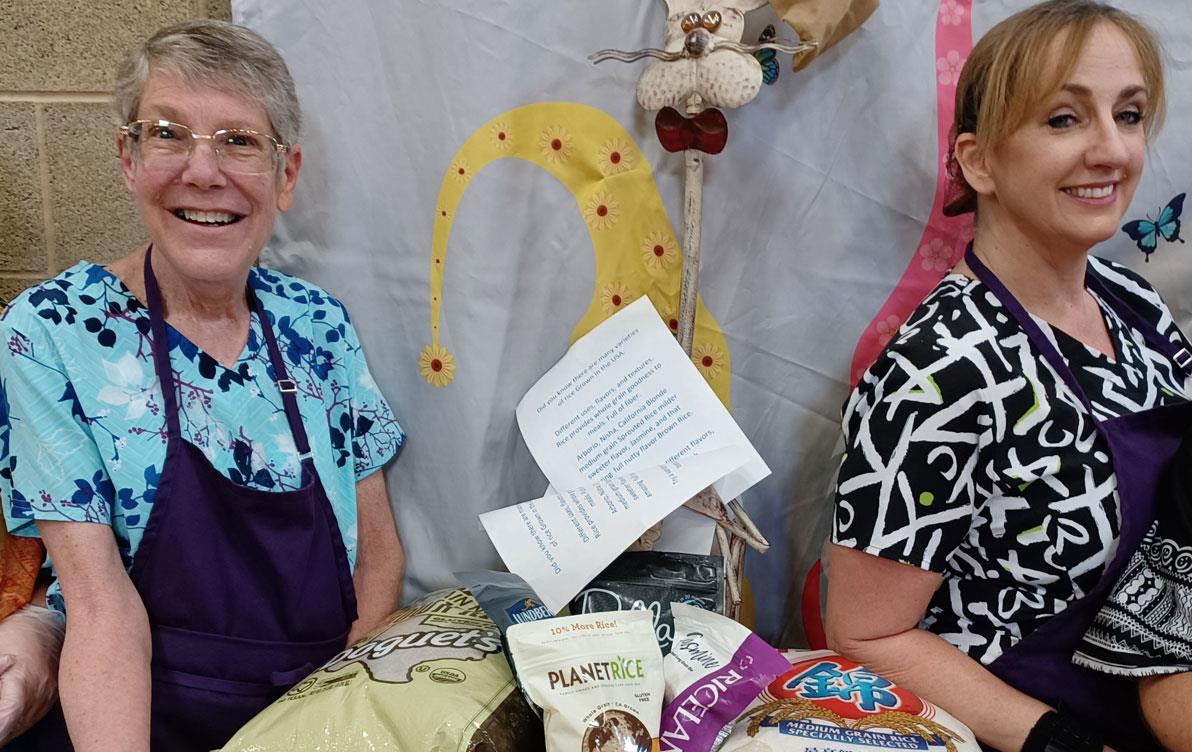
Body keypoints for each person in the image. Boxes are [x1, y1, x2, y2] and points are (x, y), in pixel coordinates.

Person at [0, 19, 406, 751]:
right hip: (137, 715)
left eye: (239, 141)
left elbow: (378, 555)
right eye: (168, 134)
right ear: (127, 157)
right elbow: (100, 607)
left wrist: (333, 726)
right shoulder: (51, 330)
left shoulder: (319, 324)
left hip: (316, 714)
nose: (202, 171)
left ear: (286, 176)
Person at [824, 2, 1188, 750]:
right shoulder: (940, 369)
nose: (1112, 151)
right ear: (978, 161)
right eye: (1064, 119)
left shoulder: (1135, 303)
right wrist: (1055, 742)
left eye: (1128, 114)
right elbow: (866, 633)